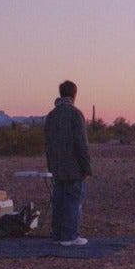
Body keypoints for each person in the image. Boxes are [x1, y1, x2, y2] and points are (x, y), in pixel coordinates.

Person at [44, 80, 92, 246]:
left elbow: (48, 143)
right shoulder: (74, 114)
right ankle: (69, 236)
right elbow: (81, 143)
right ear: (74, 94)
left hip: (57, 167)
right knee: (73, 201)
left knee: (59, 200)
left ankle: (57, 234)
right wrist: (86, 167)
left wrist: (51, 165)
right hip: (73, 168)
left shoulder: (51, 115)